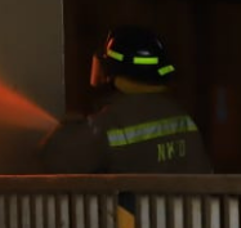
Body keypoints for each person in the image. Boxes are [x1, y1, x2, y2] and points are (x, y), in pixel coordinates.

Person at [39, 25, 212, 174]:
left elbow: (53, 160)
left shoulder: (109, 123)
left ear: (111, 69)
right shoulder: (182, 118)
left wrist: (68, 127)